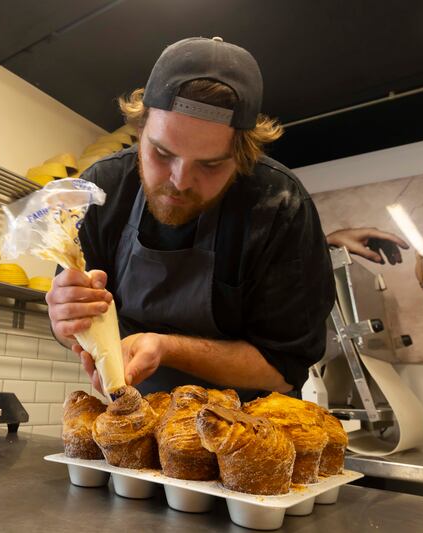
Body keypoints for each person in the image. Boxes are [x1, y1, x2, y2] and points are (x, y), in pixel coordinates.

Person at [46, 37, 335, 401]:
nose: (180, 182)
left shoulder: (279, 206)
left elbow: (284, 369)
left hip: (253, 435)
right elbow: (69, 328)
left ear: (244, 154)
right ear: (140, 130)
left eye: (211, 165)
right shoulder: (101, 189)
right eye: (162, 153)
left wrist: (167, 348)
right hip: (140, 419)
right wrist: (66, 319)